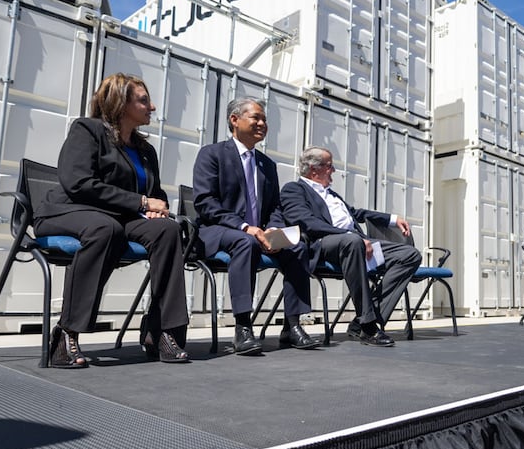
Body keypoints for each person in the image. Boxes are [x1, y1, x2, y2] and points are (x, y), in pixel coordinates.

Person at [34, 73, 189, 368]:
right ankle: (66, 333)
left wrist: (157, 209)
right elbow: (78, 182)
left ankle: (161, 331)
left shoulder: (145, 151)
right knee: (106, 228)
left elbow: (154, 194)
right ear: (121, 102)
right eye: (143, 100)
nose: (152, 107)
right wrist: (141, 202)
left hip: (119, 216)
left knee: (168, 229)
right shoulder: (87, 130)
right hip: (67, 212)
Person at [193, 98, 319, 354]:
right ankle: (242, 327)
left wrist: (273, 228)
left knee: (297, 245)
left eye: (264, 120)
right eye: (256, 118)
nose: (262, 123)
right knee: (246, 241)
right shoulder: (212, 154)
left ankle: (292, 326)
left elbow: (274, 207)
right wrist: (242, 226)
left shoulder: (266, 164)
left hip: (258, 234)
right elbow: (204, 203)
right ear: (234, 120)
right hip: (218, 230)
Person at [279, 146, 422, 347]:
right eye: (329, 166)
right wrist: (348, 234)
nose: (334, 171)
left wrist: (392, 218)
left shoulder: (332, 195)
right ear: (314, 170)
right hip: (325, 244)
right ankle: (369, 326)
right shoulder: (294, 189)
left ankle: (362, 321)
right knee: (353, 242)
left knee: (409, 255)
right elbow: (305, 222)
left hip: (354, 242)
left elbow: (356, 213)